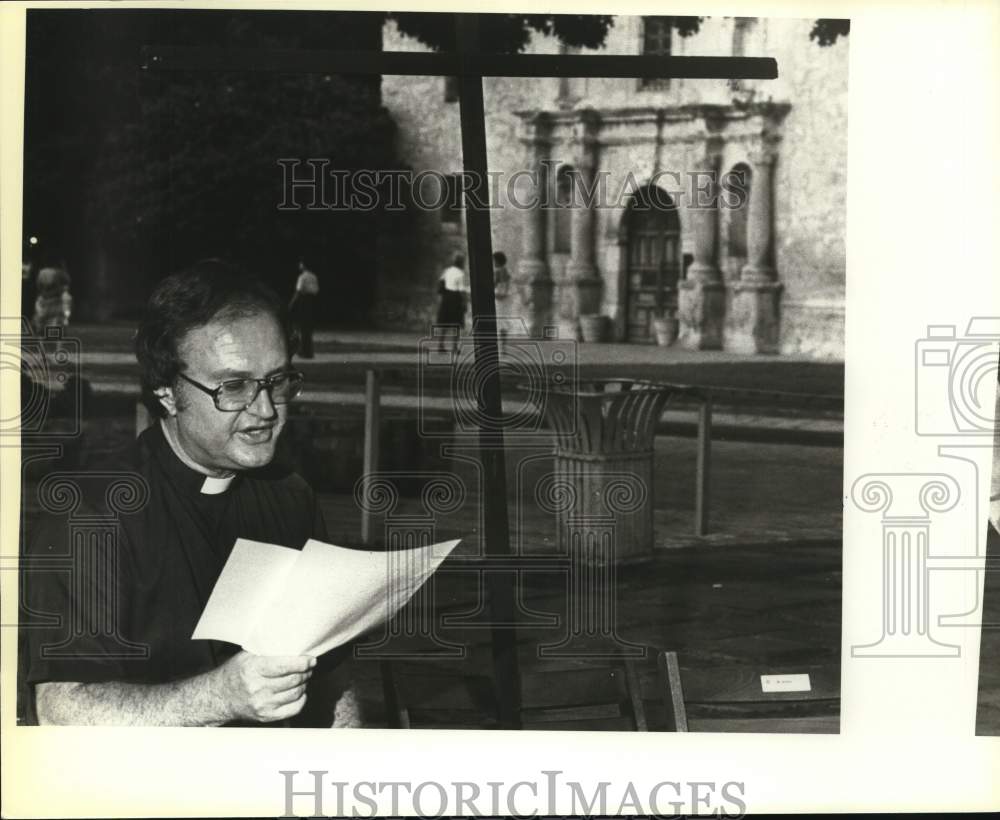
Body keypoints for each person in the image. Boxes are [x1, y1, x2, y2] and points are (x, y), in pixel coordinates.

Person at [20, 259, 358, 727]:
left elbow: (334, 679)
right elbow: (60, 711)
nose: (265, 410)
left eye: (276, 381)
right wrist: (221, 696)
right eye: (233, 387)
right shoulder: (91, 515)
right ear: (166, 392)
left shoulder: (290, 495)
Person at [436, 252, 468, 352]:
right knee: (456, 324)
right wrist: (465, 302)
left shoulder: (447, 271)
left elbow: (441, 282)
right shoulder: (461, 273)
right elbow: (462, 290)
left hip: (446, 298)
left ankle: (440, 345)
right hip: (456, 299)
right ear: (462, 262)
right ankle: (454, 347)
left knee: (444, 323)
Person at [289, 258, 320, 359]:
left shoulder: (302, 277)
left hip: (303, 301)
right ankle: (309, 351)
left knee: (302, 327)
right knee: (308, 327)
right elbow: (316, 290)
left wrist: (292, 304)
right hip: (312, 301)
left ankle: (304, 351)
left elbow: (298, 291)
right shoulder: (314, 276)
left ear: (303, 265)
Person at [32, 264, 72, 334]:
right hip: (52, 300)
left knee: (42, 321)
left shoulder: (43, 272)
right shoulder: (58, 273)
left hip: (50, 299)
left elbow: (38, 285)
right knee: (43, 321)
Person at [492, 251, 511, 348]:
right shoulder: (506, 271)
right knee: (504, 321)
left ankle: (500, 344)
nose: (493, 262)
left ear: (497, 261)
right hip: (506, 299)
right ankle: (503, 344)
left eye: (494, 260)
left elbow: (494, 285)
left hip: (499, 298)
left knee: (499, 321)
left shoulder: (498, 272)